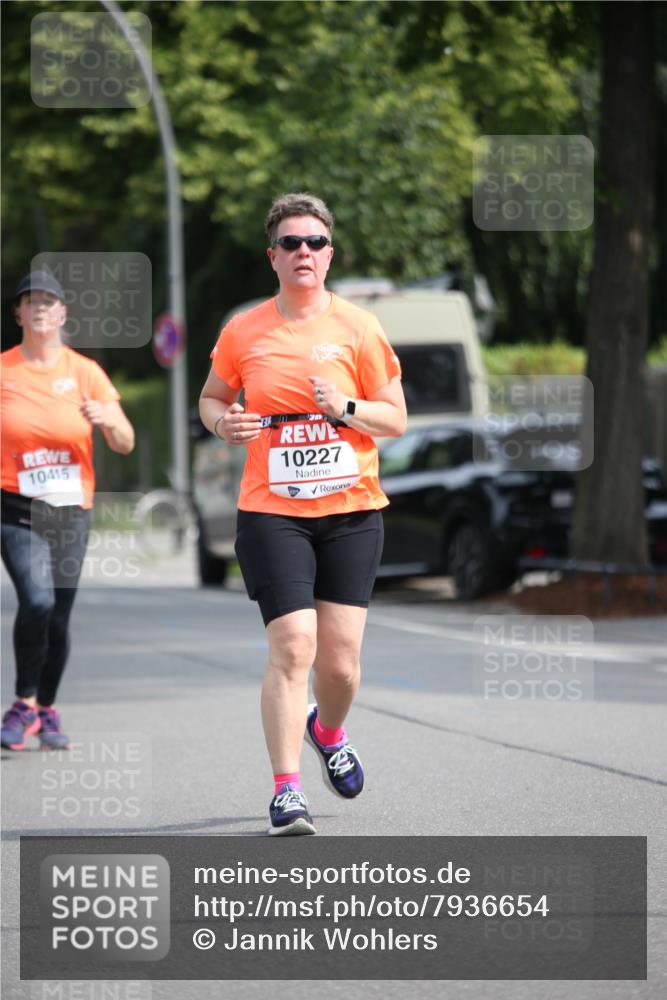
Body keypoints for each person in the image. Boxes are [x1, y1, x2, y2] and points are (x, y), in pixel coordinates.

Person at [199, 193, 407, 835]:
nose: (303, 253)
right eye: (290, 243)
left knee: (338, 666)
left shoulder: (359, 328)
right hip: (272, 512)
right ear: (273, 256)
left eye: (314, 243)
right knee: (293, 646)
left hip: (350, 512)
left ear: (329, 254)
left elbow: (395, 419)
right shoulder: (244, 330)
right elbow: (211, 399)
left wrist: (345, 407)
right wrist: (224, 424)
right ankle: (286, 791)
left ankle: (330, 731)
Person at [1, 270, 135, 751]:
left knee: (57, 616)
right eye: (30, 301)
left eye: (48, 301)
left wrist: (107, 420)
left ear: (62, 314)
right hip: (15, 506)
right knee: (37, 600)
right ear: (19, 314)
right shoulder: (4, 370)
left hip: (70, 511)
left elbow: (125, 441)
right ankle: (22, 702)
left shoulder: (85, 373)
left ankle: (46, 709)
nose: (39, 308)